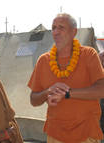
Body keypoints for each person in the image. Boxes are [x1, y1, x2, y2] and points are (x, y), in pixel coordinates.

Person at [28, 13, 104, 143]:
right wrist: (48, 92)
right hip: (55, 134)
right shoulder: (43, 60)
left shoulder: (88, 54)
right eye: (53, 28)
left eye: (61, 27)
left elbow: (101, 90)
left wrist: (67, 93)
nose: (56, 32)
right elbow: (33, 100)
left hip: (86, 133)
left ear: (74, 32)